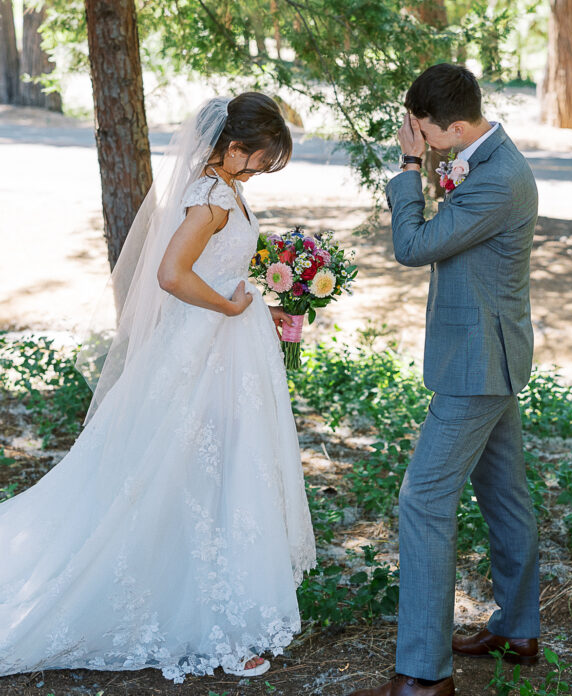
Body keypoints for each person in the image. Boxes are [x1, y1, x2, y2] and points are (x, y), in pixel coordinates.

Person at [0, 92, 315, 684]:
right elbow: (172, 275)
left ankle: (231, 609)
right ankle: (211, 621)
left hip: (226, 345)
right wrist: (226, 304)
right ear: (232, 145)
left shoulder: (221, 189)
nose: (262, 167)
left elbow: (216, 267)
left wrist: (249, 305)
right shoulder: (211, 200)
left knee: (222, 469)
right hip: (205, 350)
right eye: (260, 156)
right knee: (198, 473)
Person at [348, 64, 540, 696]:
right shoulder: (481, 157)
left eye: (422, 132)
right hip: (489, 355)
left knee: (423, 499)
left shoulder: (501, 179)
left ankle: (425, 676)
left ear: (455, 127)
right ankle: (516, 630)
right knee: (504, 494)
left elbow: (414, 244)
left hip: (477, 365)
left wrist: (408, 173)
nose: (416, 140)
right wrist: (430, 165)